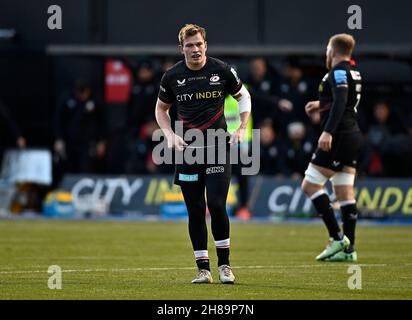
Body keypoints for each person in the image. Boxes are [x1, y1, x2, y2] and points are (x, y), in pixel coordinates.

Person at [155, 24, 251, 284]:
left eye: (199, 44)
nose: (195, 49)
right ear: (181, 49)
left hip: (218, 147)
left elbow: (244, 97)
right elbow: (161, 109)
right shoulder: (172, 77)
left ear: (206, 45)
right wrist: (169, 134)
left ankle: (225, 266)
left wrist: (242, 128)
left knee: (217, 205)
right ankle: (203, 269)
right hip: (187, 152)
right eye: (189, 45)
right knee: (195, 210)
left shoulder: (222, 70)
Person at [301, 34, 363, 262]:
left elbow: (340, 101)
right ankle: (349, 250)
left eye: (327, 49)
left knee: (309, 185)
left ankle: (337, 238)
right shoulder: (353, 71)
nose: (326, 53)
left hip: (339, 136)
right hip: (353, 135)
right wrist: (320, 104)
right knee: (344, 191)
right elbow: (346, 102)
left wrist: (328, 131)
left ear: (333, 51)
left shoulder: (337, 71)